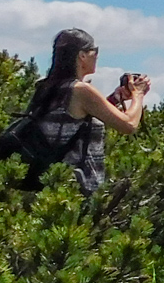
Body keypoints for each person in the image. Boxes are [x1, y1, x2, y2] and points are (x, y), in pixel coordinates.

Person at [24, 27, 148, 193]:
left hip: (48, 182)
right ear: (82, 56)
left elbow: (77, 118)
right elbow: (128, 125)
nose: (97, 56)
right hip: (76, 188)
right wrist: (138, 95)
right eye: (94, 51)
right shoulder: (81, 90)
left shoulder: (46, 87)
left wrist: (114, 99)